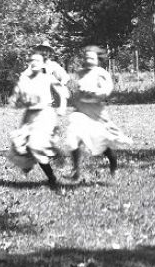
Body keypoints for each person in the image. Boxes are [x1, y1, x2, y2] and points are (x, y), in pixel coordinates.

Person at [63, 45, 129, 180]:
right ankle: (76, 170)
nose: (89, 59)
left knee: (100, 142)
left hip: (96, 115)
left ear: (97, 59)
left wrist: (93, 93)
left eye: (92, 57)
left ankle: (113, 167)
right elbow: (73, 91)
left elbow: (107, 91)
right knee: (73, 138)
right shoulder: (79, 73)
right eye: (87, 57)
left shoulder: (101, 73)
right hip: (80, 113)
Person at [8, 48, 69, 190]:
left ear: (42, 64)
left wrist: (62, 108)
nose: (34, 63)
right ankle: (43, 165)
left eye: (38, 60)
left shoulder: (47, 78)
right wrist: (15, 100)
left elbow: (62, 92)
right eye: (32, 60)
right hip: (29, 116)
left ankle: (52, 176)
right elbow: (16, 97)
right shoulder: (24, 79)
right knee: (21, 147)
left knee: (36, 146)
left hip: (45, 115)